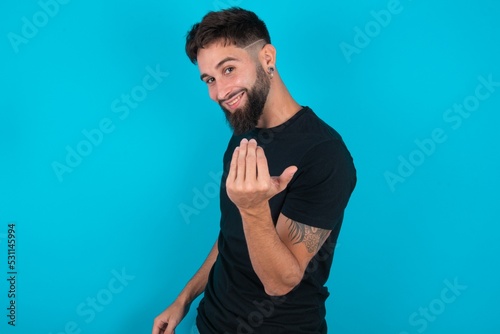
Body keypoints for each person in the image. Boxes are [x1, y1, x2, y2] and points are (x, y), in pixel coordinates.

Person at [152, 7, 356, 334]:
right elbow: (231, 237)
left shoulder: (324, 154)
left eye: (229, 69)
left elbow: (281, 282)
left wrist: (254, 208)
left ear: (267, 58)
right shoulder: (243, 134)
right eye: (209, 79)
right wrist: (184, 299)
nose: (219, 92)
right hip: (210, 322)